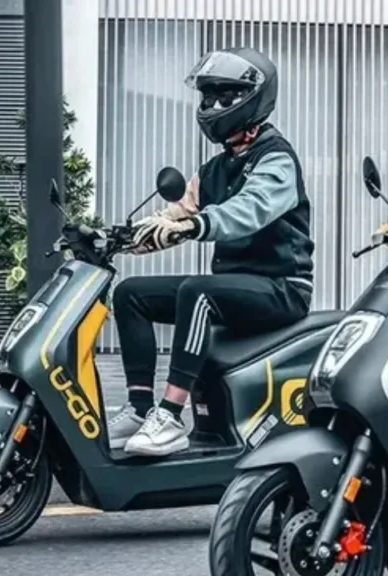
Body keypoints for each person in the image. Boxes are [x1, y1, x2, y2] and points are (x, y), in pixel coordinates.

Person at [106, 47, 315, 456]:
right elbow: (175, 215)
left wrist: (193, 226)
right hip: (237, 288)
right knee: (130, 293)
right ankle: (140, 408)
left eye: (225, 95)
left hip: (281, 289)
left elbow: (250, 209)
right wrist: (117, 239)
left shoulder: (276, 159)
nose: (213, 105)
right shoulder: (214, 169)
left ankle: (170, 416)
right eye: (208, 96)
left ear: (254, 99)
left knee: (197, 291)